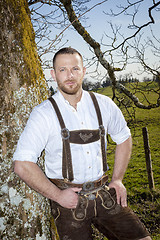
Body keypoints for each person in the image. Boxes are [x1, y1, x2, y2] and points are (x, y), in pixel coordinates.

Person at [13, 47, 151, 240]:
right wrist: (58, 196)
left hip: (105, 194)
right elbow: (22, 164)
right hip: (68, 202)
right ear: (53, 74)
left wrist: (117, 179)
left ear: (84, 71)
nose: (70, 75)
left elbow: (124, 138)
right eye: (62, 70)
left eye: (75, 69)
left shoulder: (104, 104)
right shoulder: (44, 113)